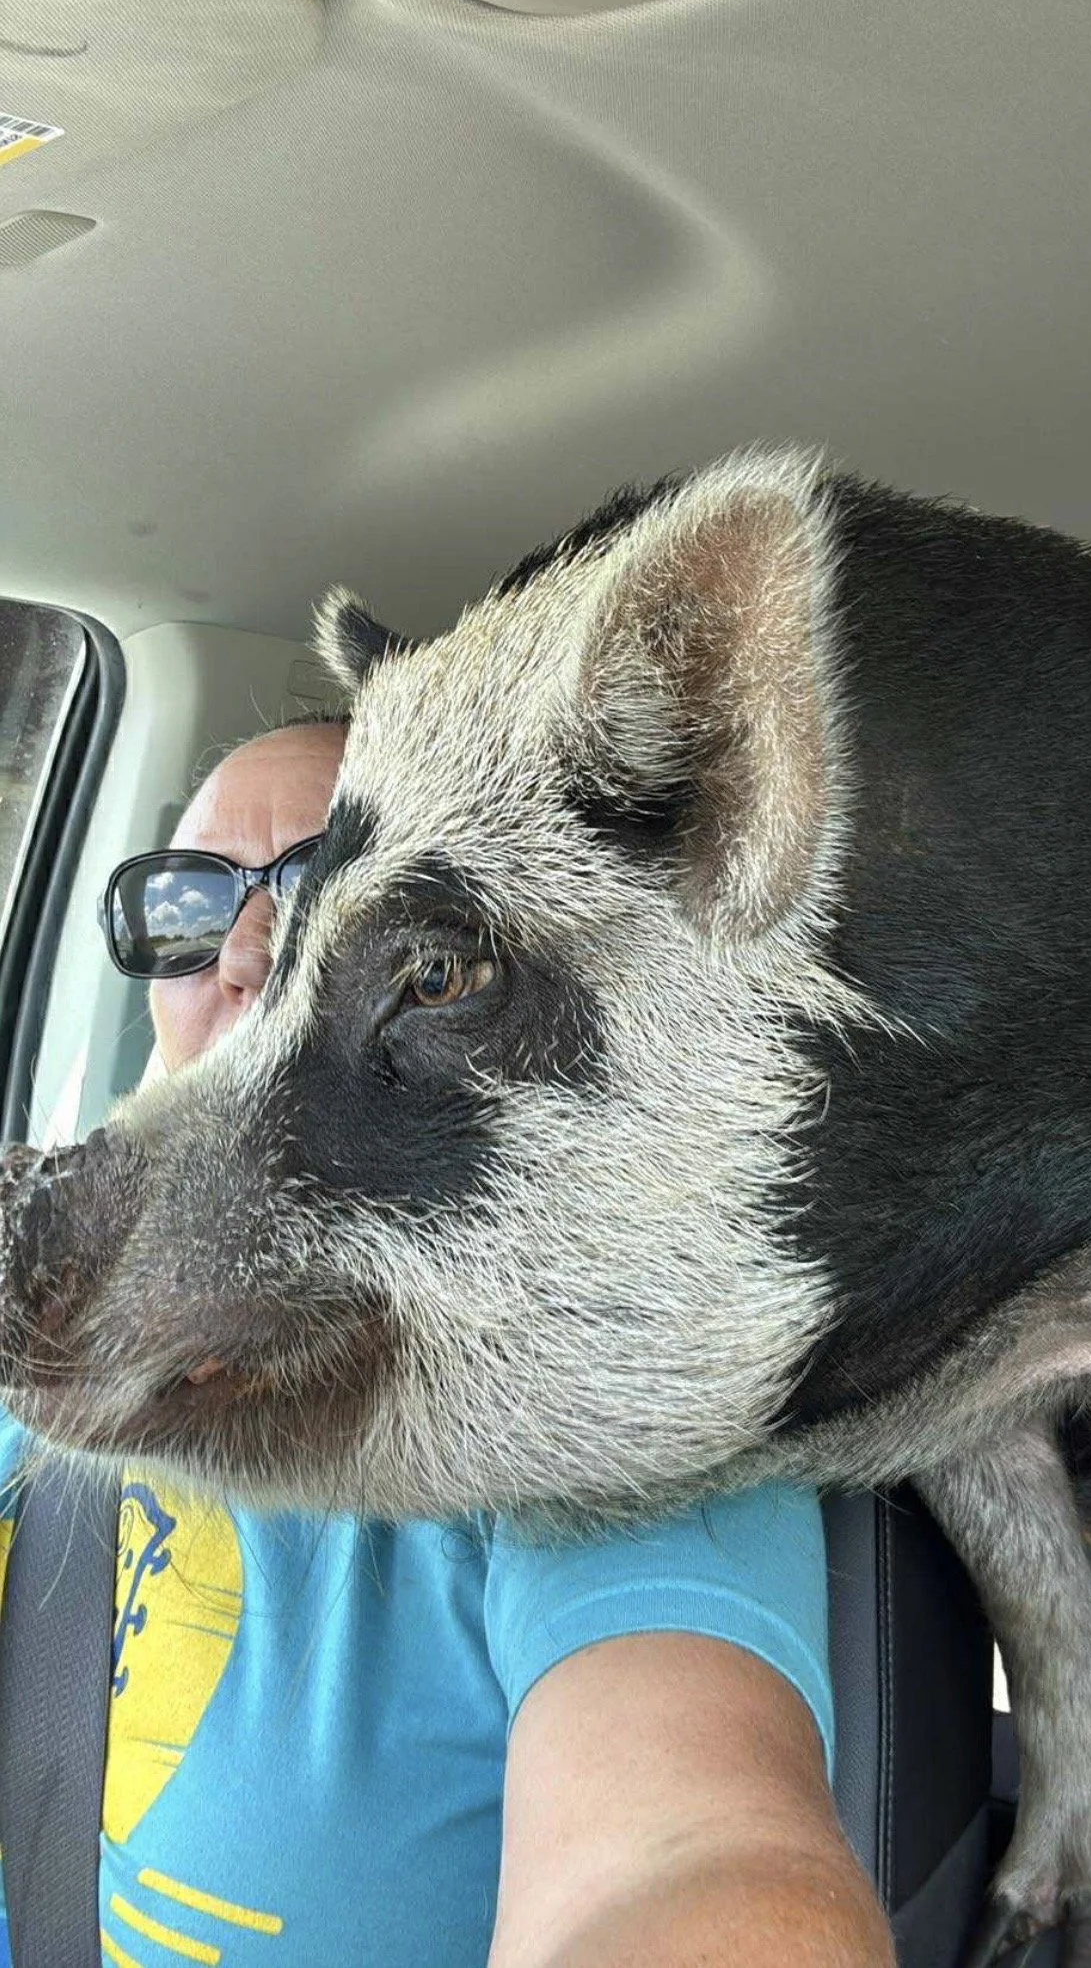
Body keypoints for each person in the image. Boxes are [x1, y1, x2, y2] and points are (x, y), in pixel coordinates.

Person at [0, 721, 892, 1968]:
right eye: (189, 900)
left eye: (322, 889)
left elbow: (690, 1851)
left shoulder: (589, 1388)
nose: (248, 950)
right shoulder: (41, 1334)